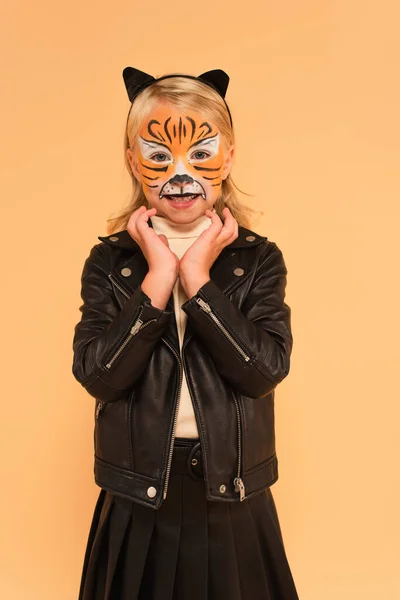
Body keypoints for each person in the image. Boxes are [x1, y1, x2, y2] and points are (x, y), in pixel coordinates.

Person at [72, 66, 299, 600]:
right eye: (158, 156)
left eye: (200, 154)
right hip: (138, 494)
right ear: (133, 160)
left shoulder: (258, 259)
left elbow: (264, 371)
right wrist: (156, 280)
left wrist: (197, 279)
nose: (180, 175)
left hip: (233, 492)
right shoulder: (110, 263)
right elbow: (99, 376)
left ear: (230, 154)